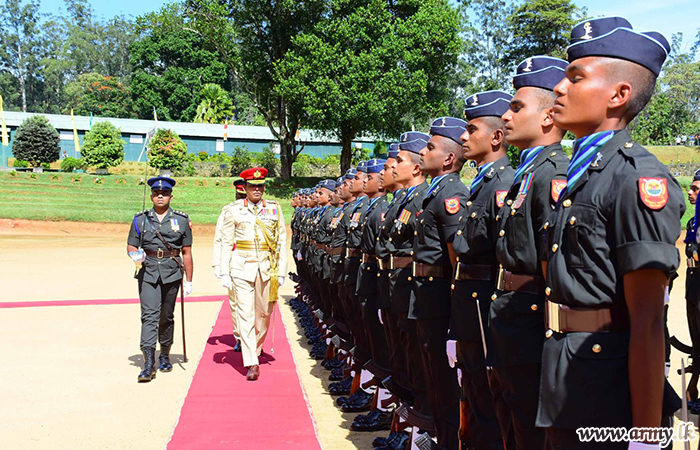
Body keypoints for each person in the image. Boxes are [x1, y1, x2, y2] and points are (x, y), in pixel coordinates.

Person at [538, 17, 684, 449]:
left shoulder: (636, 179)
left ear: (619, 95)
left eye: (574, 77)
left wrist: (644, 436)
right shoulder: (584, 175)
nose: (559, 89)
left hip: (605, 392)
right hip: (566, 373)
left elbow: (648, 320)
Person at [489, 57, 570, 450]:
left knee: (529, 432)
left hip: (531, 328)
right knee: (512, 423)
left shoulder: (553, 173)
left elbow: (551, 269)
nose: (505, 115)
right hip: (511, 320)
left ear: (548, 117)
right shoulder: (528, 172)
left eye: (517, 107)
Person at [450, 89, 515, 450]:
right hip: (470, 306)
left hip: (485, 304)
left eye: (471, 129)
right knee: (474, 392)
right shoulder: (484, 183)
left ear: (495, 137)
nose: (463, 137)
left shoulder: (503, 183)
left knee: (488, 403)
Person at [413, 117, 470, 450]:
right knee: (433, 377)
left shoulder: (452, 194)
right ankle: (438, 438)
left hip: (440, 299)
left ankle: (449, 442)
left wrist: (454, 319)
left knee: (446, 384)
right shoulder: (435, 191)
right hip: (425, 297)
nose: (424, 151)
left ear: (449, 159)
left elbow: (455, 260)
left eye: (431, 147)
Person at [219, 167, 288, 381]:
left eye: (260, 186)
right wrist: (224, 271)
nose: (256, 189)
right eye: (252, 186)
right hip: (241, 266)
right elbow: (225, 241)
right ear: (245, 188)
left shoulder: (274, 209)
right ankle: (252, 361)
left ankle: (256, 349)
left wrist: (282, 270)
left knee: (264, 313)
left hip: (267, 267)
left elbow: (282, 241)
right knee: (245, 314)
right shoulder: (233, 210)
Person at [126, 176, 193, 383]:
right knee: (149, 316)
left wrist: (189, 280)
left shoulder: (181, 220)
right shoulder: (140, 219)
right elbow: (131, 245)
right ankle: (148, 363)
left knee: (166, 316)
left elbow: (187, 252)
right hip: (147, 272)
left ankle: (165, 353)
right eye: (156, 193)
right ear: (152, 196)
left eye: (164, 194)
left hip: (172, 272)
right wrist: (134, 254)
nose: (160, 196)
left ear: (171, 196)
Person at [212, 178, 248, 353]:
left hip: (255, 259)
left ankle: (253, 335)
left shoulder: (263, 210)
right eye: (239, 194)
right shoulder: (228, 211)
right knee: (236, 301)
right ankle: (241, 337)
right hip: (234, 259)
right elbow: (220, 238)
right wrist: (218, 265)